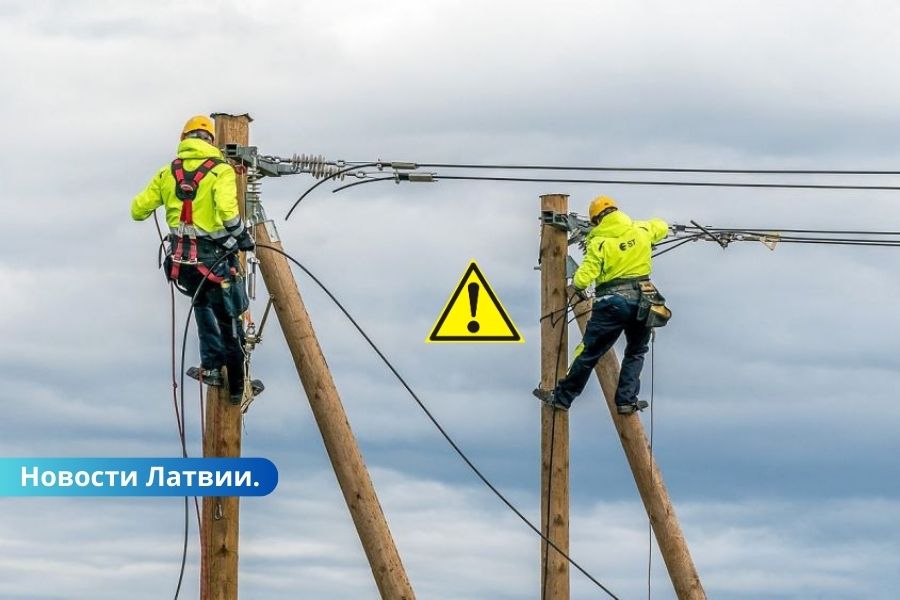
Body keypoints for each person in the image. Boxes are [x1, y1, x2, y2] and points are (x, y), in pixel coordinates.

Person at [131, 115, 263, 405]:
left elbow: (138, 210)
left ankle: (213, 366)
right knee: (230, 319)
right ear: (211, 142)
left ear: (183, 140)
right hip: (215, 262)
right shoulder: (220, 171)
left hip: (183, 266)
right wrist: (242, 238)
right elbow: (229, 214)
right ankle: (238, 385)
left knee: (202, 305)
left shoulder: (168, 173)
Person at [534, 195, 668, 415]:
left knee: (589, 352)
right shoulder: (642, 229)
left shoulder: (599, 241)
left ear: (596, 219)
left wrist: (577, 283)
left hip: (612, 303)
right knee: (636, 351)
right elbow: (662, 226)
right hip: (644, 301)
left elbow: (582, 279)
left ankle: (562, 398)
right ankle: (626, 400)